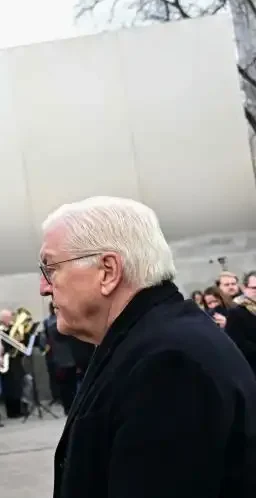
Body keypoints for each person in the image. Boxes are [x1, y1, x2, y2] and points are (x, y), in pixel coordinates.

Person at [39, 196, 256, 498]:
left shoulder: (170, 364)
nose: (43, 287)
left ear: (108, 271)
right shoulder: (150, 341)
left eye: (51, 268)